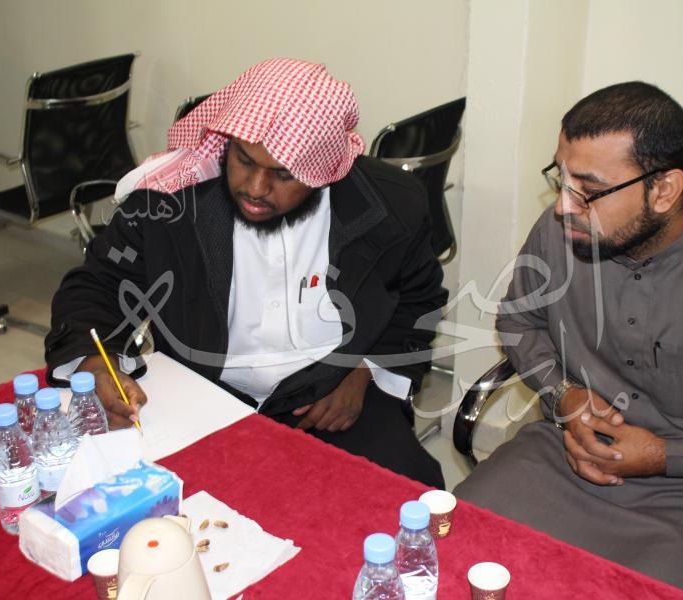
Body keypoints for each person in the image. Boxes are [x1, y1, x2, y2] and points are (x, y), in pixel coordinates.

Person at [454, 81, 683, 595]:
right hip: (564, 456)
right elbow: (519, 322)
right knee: (450, 550)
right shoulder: (563, 230)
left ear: (664, 189)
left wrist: (668, 455)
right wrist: (566, 397)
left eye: (587, 188)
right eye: (559, 177)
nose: (562, 206)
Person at [45, 59, 447, 488]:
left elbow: (419, 298)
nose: (254, 188)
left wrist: (366, 371)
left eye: (282, 174)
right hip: (204, 391)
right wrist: (96, 363)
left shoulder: (391, 206)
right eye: (243, 160)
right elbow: (98, 285)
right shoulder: (167, 203)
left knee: (410, 494)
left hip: (331, 393)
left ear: (323, 169)